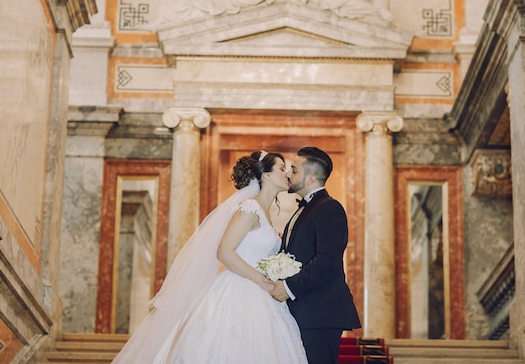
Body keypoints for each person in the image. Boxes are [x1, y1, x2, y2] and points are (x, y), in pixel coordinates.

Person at [111, 150, 308, 364]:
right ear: (266, 176)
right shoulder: (250, 208)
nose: (287, 173)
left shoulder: (266, 213)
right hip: (240, 290)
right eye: (281, 168)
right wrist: (264, 282)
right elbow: (224, 251)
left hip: (260, 293)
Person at [270, 146, 361, 364]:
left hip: (320, 314)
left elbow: (327, 260)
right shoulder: (303, 209)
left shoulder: (329, 207)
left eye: (295, 169)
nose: (289, 174)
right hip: (303, 311)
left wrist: (288, 288)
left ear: (311, 178)